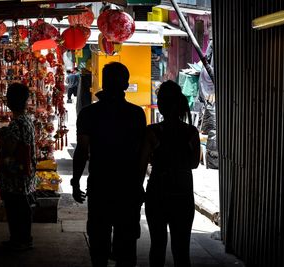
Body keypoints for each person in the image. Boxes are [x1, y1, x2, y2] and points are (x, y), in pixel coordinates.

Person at [71, 62, 146, 267]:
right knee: (126, 247)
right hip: (128, 187)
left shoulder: (89, 114)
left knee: (99, 244)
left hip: (100, 186)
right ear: (126, 84)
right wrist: (139, 185)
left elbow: (82, 150)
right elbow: (142, 155)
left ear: (103, 83)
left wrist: (76, 181)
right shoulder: (136, 114)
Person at [139, 80, 200, 267]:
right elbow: (194, 164)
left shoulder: (152, 132)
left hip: (158, 191)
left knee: (157, 246)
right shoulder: (191, 132)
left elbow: (141, 166)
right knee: (182, 250)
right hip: (183, 192)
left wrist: (138, 189)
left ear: (162, 106)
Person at [0, 82, 37, 251]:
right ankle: (23, 239)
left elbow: (9, 148)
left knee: (15, 209)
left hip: (15, 176)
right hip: (26, 173)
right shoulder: (27, 120)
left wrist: (1, 136)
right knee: (22, 208)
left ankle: (19, 241)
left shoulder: (16, 124)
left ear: (10, 102)